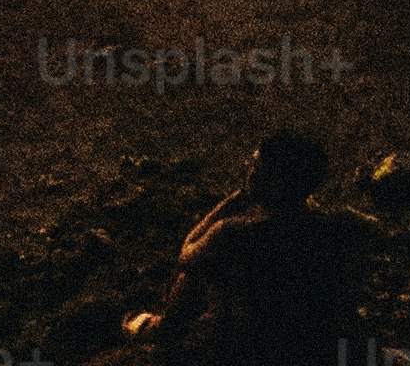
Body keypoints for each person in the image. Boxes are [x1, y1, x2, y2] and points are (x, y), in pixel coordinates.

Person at [115, 129, 380, 362]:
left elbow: (187, 252)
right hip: (316, 346)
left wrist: (234, 199)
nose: (249, 171)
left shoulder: (235, 233)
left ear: (272, 178)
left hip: (250, 351)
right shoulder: (335, 229)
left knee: (196, 269)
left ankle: (163, 329)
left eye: (255, 167)